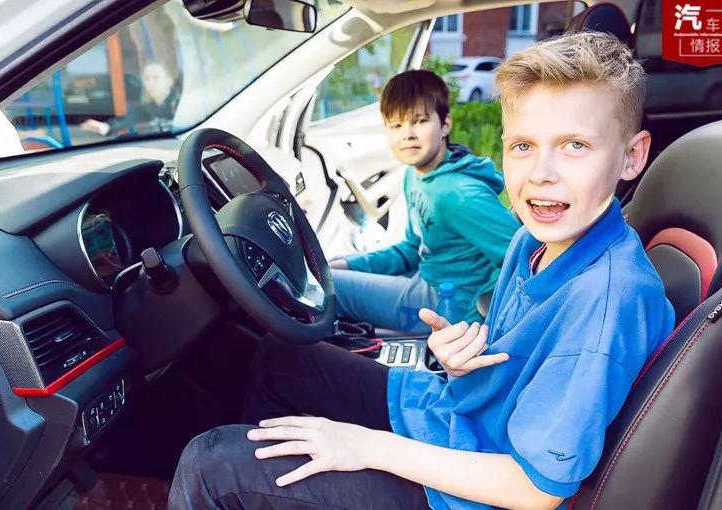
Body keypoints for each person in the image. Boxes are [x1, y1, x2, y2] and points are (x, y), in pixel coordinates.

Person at [168, 32, 675, 510]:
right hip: (455, 418)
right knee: (280, 357)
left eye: (575, 146)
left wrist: (366, 446)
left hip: (470, 492)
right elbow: (516, 367)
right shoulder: (534, 239)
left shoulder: (606, 300)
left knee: (211, 464)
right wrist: (461, 363)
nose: (541, 173)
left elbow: (535, 491)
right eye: (523, 146)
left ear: (632, 157)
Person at [330, 69, 519, 333]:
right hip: (426, 277)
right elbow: (411, 248)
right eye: (396, 125)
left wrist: (480, 317)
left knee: (328, 286)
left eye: (419, 121)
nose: (407, 134)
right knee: (334, 267)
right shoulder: (416, 175)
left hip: (447, 307)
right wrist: (349, 264)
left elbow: (523, 257)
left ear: (445, 125)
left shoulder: (457, 195)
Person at [80, 61, 179, 137]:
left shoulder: (180, 104)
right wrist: (106, 128)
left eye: (155, 78)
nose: (150, 83)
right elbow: (126, 123)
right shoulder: (146, 109)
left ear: (169, 80)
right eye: (146, 78)